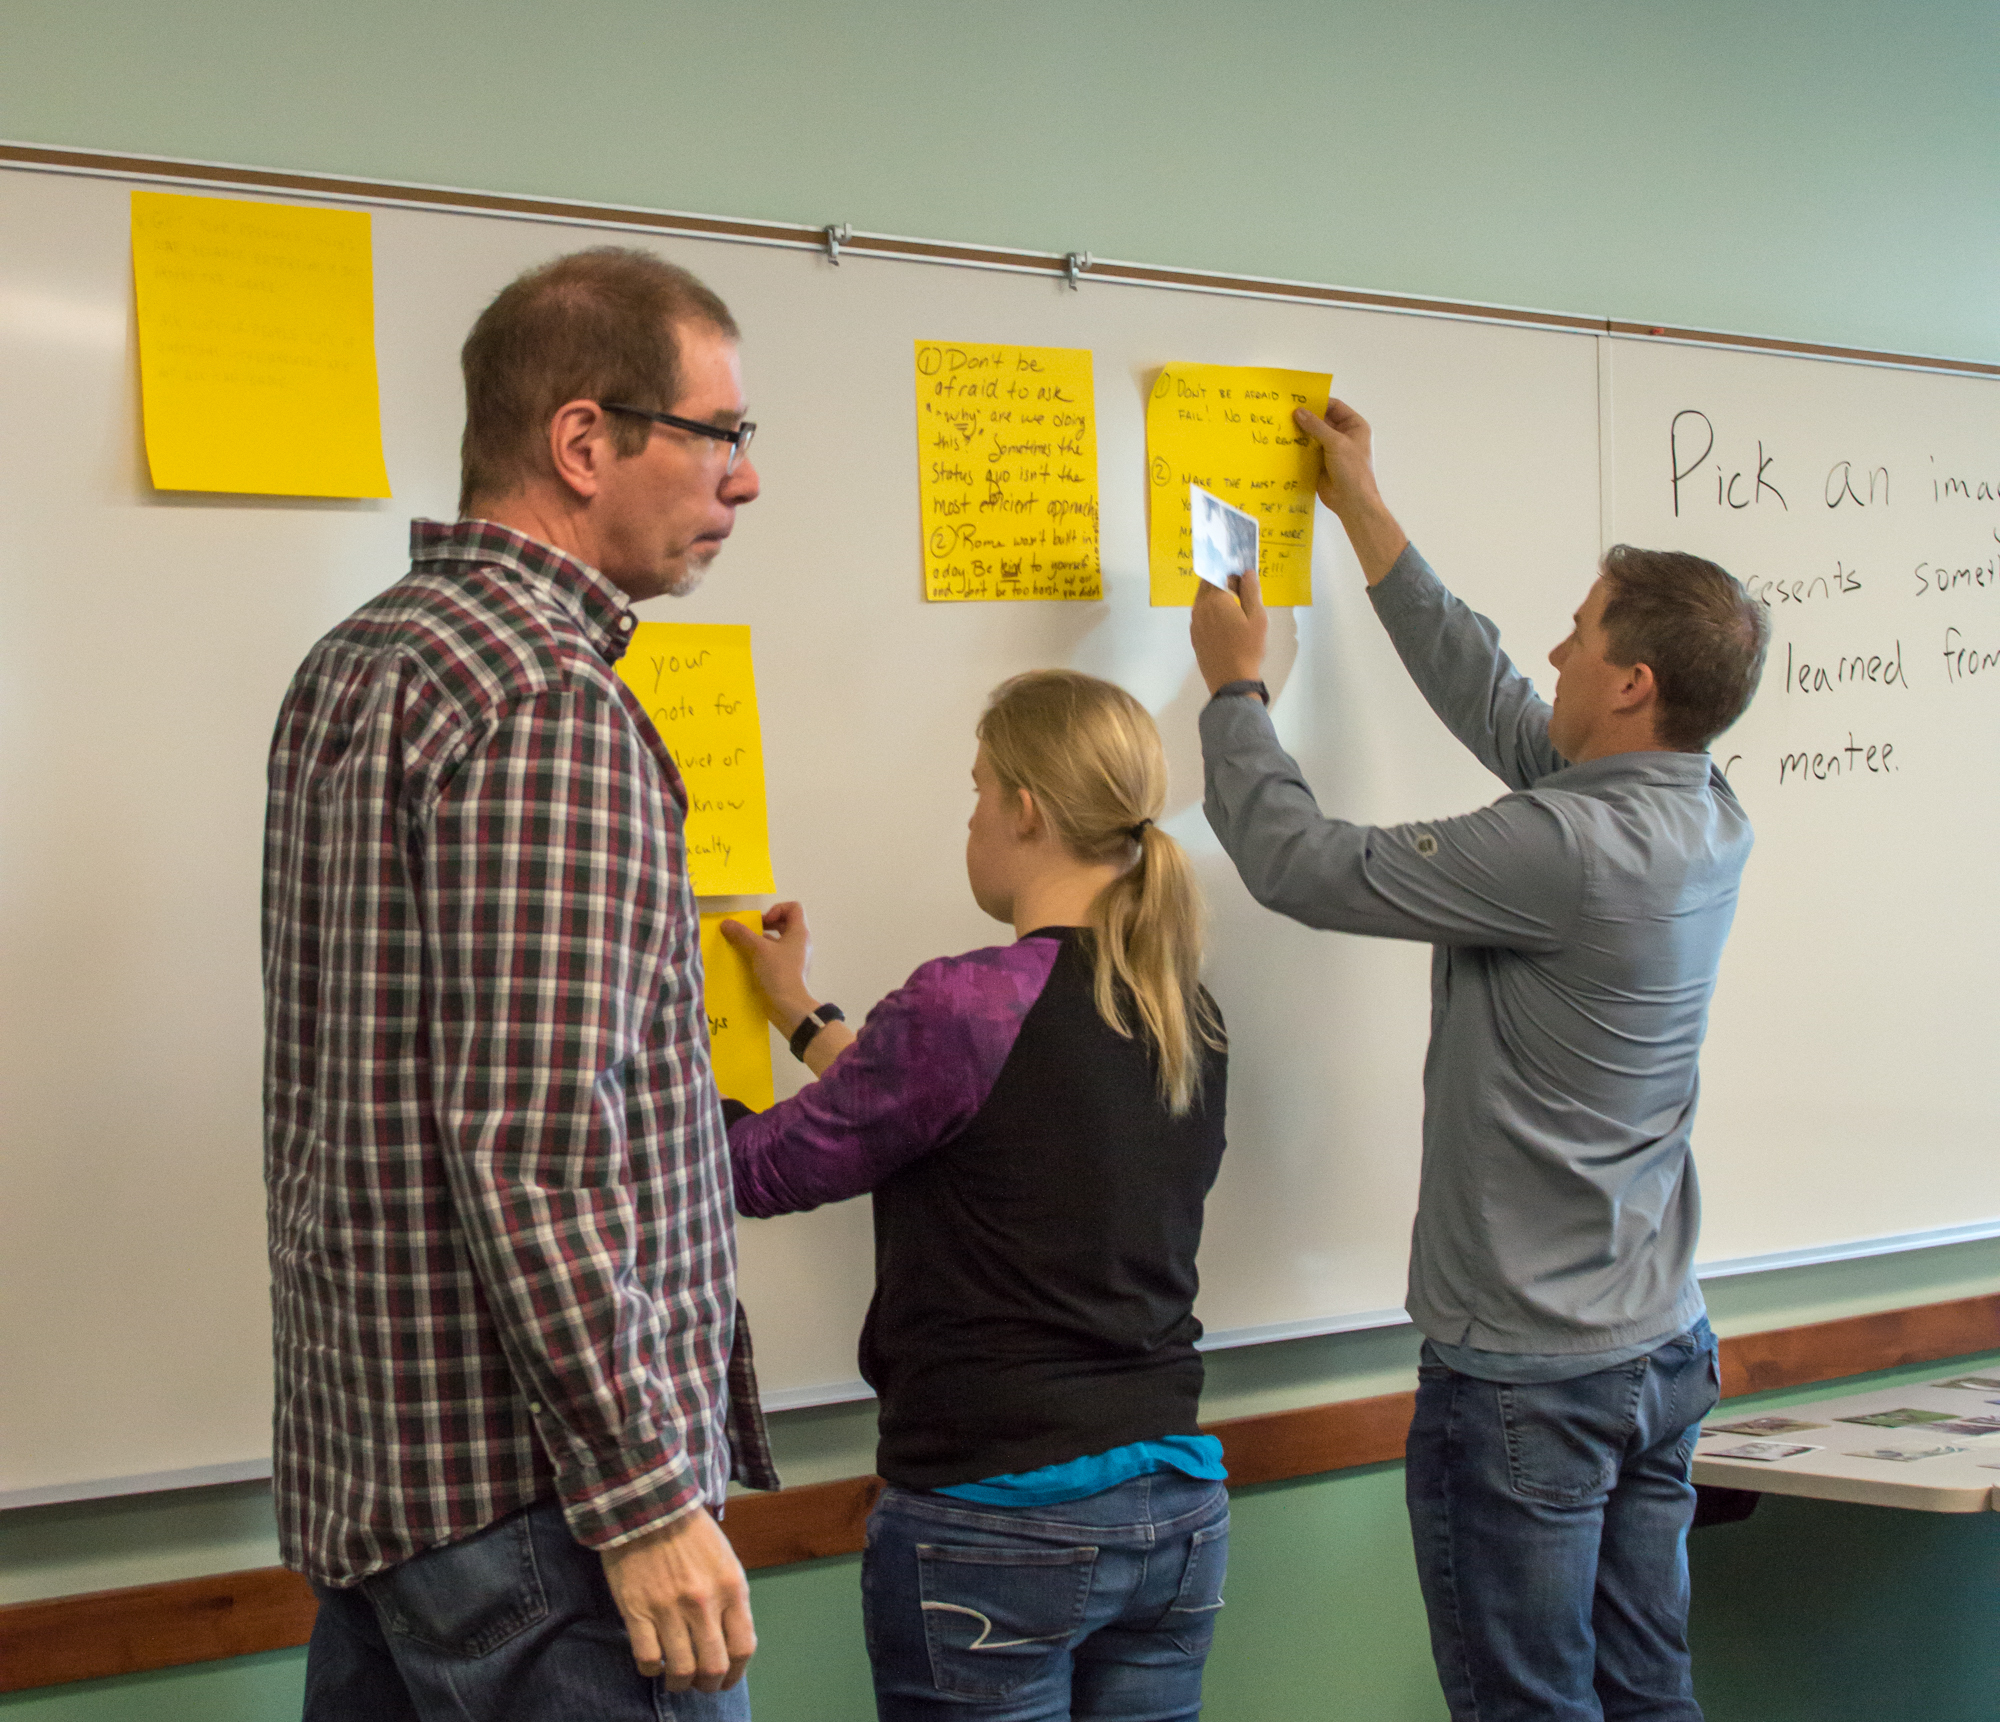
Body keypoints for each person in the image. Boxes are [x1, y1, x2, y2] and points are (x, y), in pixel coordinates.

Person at [1189, 398, 1769, 1722]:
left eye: (1582, 628)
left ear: (1633, 682)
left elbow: (1299, 863)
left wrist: (1235, 691)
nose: (1554, 645)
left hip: (1531, 1382)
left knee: (1528, 1707)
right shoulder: (1701, 808)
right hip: (1655, 1349)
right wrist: (1363, 511)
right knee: (1645, 1693)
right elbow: (1508, 704)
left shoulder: (1563, 852)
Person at [262, 246, 778, 1722]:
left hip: (385, 1490)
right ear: (582, 439)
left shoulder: (357, 661)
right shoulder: (549, 700)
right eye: (720, 434)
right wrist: (646, 1499)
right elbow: (534, 1148)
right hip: (547, 1524)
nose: (743, 482)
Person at [720, 670, 1231, 1722]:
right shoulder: (1184, 1008)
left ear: (1026, 811)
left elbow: (757, 1170)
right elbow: (963, 1121)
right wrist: (799, 1012)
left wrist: (662, 1071)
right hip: (1171, 1510)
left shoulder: (967, 1005)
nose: (971, 816)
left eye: (976, 789)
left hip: (997, 1519)